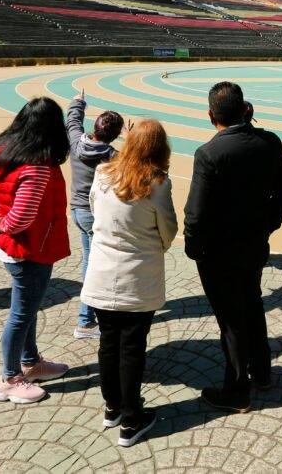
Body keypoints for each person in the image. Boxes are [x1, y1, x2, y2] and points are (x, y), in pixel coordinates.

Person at [184, 81, 282, 412]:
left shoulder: (209, 153)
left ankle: (237, 390)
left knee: (231, 320)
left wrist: (194, 248)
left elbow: (196, 212)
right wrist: (269, 224)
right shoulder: (269, 142)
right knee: (252, 303)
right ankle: (262, 372)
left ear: (210, 115)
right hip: (254, 243)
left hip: (219, 252)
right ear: (244, 108)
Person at [81, 119, 178, 447]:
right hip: (139, 277)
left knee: (108, 343)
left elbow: (96, 213)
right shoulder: (158, 183)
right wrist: (156, 246)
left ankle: (113, 408)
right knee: (132, 347)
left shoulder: (103, 173)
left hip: (101, 274)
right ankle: (132, 419)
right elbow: (168, 228)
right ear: (160, 147)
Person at [0, 97, 72, 405]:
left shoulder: (3, 149)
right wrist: (3, 223)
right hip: (30, 249)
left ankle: (31, 363)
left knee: (28, 308)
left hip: (14, 247)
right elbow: (22, 216)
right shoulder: (37, 166)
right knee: (21, 314)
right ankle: (8, 379)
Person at [66, 91, 124, 340]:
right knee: (93, 266)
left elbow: (72, 121)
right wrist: (131, 140)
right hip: (95, 215)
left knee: (90, 262)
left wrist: (78, 102)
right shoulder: (110, 156)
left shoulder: (77, 142)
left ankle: (90, 317)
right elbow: (135, 166)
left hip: (77, 211)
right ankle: (85, 322)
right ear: (115, 135)